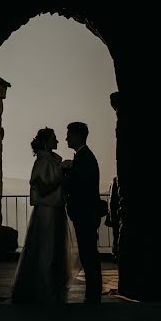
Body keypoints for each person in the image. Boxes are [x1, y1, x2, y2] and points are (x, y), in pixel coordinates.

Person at [11, 127, 74, 304]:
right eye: (54, 138)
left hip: (55, 210)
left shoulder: (51, 160)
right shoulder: (42, 162)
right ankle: (45, 289)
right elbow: (43, 189)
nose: (58, 141)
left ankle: (51, 287)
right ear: (46, 141)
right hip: (47, 211)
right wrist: (61, 173)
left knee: (54, 249)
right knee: (47, 250)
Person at [63, 121, 103, 304]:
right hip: (86, 214)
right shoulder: (84, 157)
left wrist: (66, 177)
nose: (66, 138)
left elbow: (80, 188)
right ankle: (93, 293)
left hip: (85, 214)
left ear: (78, 136)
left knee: (89, 254)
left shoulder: (84, 158)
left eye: (69, 134)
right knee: (88, 253)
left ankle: (93, 294)